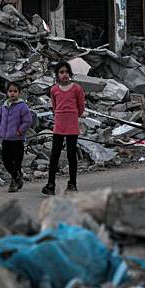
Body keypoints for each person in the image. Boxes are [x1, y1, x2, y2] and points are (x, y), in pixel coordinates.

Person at [42, 61, 85, 195]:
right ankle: (50, 184)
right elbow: (55, 107)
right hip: (59, 124)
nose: (64, 75)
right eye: (61, 72)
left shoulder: (77, 88)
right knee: (54, 155)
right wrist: (61, 116)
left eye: (66, 72)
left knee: (71, 155)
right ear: (57, 75)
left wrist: (72, 116)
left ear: (70, 73)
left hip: (72, 125)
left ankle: (72, 183)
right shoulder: (54, 89)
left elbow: (81, 106)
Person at [0, 81, 33, 193]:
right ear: (7, 93)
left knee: (17, 161)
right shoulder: (3, 106)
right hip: (6, 139)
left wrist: (20, 131)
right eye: (10, 91)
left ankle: (14, 181)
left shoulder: (22, 106)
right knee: (6, 161)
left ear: (19, 93)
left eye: (15, 91)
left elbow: (28, 121)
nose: (12, 93)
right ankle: (17, 176)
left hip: (17, 139)